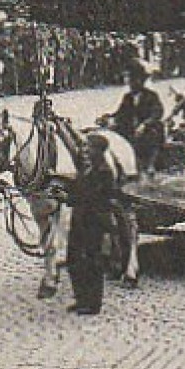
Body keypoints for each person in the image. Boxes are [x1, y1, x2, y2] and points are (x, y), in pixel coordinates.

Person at [66, 133, 119, 316]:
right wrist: (66, 196)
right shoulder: (87, 169)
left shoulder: (104, 173)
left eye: (89, 148)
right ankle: (81, 298)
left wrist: (74, 198)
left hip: (94, 223)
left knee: (93, 262)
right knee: (73, 260)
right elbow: (77, 193)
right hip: (79, 220)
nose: (85, 151)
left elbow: (95, 198)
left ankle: (93, 303)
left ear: (99, 151)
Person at [110, 64, 165, 173]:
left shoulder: (151, 96)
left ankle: (150, 164)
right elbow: (120, 113)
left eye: (132, 79)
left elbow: (157, 113)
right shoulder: (128, 97)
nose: (130, 83)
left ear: (140, 80)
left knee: (153, 132)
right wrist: (109, 118)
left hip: (148, 130)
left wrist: (145, 124)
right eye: (129, 80)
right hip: (132, 130)